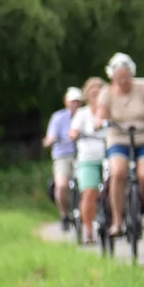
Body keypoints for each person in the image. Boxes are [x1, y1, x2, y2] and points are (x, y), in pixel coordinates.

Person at [98, 54, 144, 235]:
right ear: (113, 77)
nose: (123, 80)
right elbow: (101, 113)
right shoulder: (107, 93)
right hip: (118, 138)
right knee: (118, 172)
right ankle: (117, 220)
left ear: (132, 74)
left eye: (126, 76)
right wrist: (99, 122)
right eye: (119, 77)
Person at [72, 77, 109, 236]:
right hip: (88, 157)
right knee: (88, 192)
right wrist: (74, 133)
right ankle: (88, 230)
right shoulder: (81, 114)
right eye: (92, 93)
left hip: (108, 154)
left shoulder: (110, 111)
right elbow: (73, 130)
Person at [43, 87, 83, 222]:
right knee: (62, 185)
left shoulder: (85, 115)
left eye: (78, 102)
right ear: (66, 102)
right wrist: (50, 140)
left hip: (82, 153)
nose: (75, 105)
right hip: (63, 154)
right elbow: (51, 135)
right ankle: (65, 214)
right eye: (72, 102)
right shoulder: (58, 118)